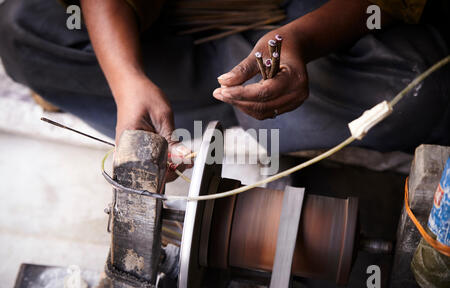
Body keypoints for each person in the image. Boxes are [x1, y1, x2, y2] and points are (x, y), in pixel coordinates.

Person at [0, 0, 448, 156]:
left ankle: (265, 101)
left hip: (312, 27)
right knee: (20, 27)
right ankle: (251, 103)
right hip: (167, 33)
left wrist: (299, 42)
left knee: (418, 88)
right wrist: (127, 81)